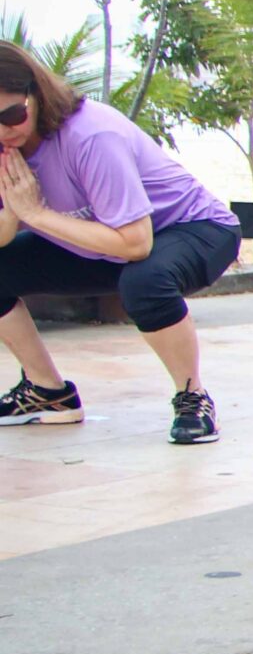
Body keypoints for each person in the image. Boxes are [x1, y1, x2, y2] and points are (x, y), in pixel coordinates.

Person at [0, 42, 239, 443]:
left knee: (143, 281)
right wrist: (12, 209)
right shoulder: (6, 148)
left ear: (36, 94)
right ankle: (47, 392)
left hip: (191, 229)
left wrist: (37, 214)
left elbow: (135, 244)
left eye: (11, 115)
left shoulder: (91, 135)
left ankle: (192, 395)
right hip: (99, 242)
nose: (3, 131)